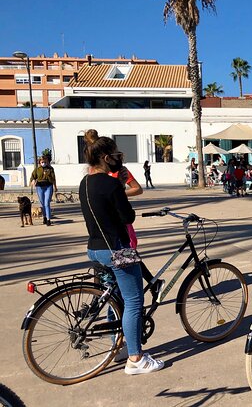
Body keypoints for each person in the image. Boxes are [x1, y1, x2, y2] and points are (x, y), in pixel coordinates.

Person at [79, 130, 163, 375]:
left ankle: (119, 346)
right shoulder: (110, 183)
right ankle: (136, 358)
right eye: (116, 155)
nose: (119, 158)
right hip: (116, 249)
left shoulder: (85, 182)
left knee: (114, 299)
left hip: (94, 248)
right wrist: (118, 187)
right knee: (134, 301)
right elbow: (128, 216)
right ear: (106, 158)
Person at [30, 156, 57, 226]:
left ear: (47, 162)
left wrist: (55, 186)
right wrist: (33, 181)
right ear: (39, 162)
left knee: (47, 203)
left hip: (48, 186)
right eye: (42, 162)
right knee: (42, 203)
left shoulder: (50, 169)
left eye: (45, 162)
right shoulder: (37, 169)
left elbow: (53, 178)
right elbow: (33, 177)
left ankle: (48, 219)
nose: (43, 163)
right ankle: (44, 217)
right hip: (39, 187)